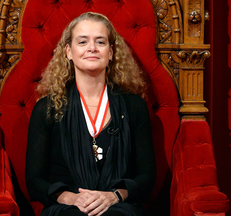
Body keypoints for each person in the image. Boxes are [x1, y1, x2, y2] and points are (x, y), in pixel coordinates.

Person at [26, 12, 156, 216]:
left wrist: (113, 196)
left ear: (111, 52)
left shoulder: (134, 107)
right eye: (83, 41)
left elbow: (147, 176)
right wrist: (72, 198)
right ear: (68, 51)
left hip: (119, 208)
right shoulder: (47, 108)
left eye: (101, 42)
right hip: (67, 209)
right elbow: (34, 181)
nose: (92, 48)